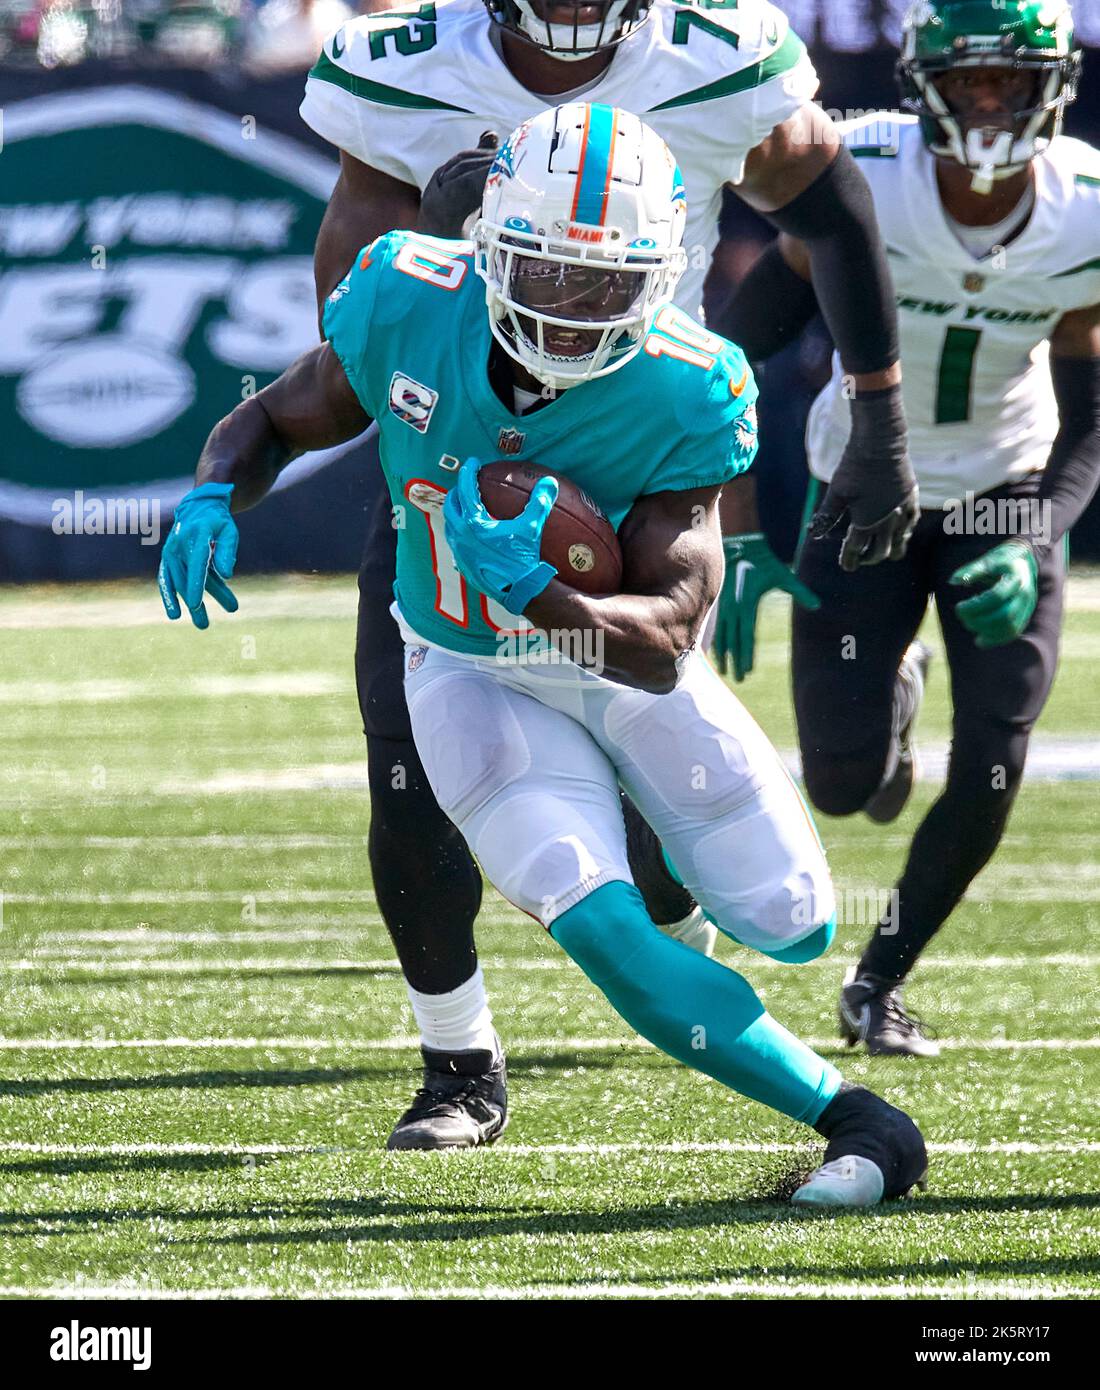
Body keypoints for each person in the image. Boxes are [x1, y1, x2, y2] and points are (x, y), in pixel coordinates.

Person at [157, 103, 928, 1206]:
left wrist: (537, 589)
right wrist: (209, 491)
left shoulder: (686, 382)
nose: (570, 312)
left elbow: (661, 640)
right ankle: (857, 1119)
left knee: (793, 921)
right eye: (545, 272)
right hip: (463, 668)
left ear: (659, 276)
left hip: (609, 661)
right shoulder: (403, 299)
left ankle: (672, 874)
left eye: (605, 283)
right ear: (488, 247)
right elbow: (280, 414)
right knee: (601, 928)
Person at [713, 0, 1100, 1054]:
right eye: (966, 80)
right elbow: (725, 359)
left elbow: (1093, 414)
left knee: (992, 753)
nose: (985, 102)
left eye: (1007, 81)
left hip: (1003, 487)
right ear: (919, 81)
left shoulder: (1085, 208)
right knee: (840, 787)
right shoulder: (860, 172)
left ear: (1050, 86)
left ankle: (877, 979)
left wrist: (1034, 533)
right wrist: (731, 525)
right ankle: (891, 694)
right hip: (863, 483)